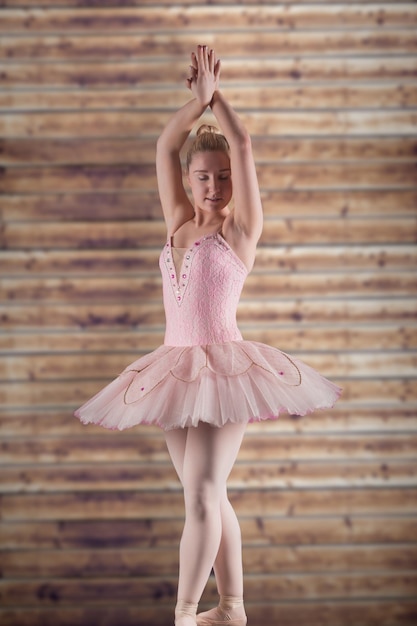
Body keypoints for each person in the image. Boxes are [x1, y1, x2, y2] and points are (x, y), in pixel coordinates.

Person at [75, 46, 341, 626]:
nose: (215, 188)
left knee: (199, 495)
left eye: (222, 179)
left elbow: (241, 145)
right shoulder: (176, 221)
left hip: (225, 370)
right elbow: (163, 147)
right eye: (204, 178)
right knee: (210, 496)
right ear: (189, 182)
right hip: (174, 368)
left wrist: (216, 99)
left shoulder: (241, 230)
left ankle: (184, 614)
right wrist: (193, 103)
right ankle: (234, 608)